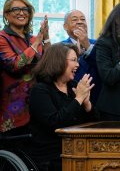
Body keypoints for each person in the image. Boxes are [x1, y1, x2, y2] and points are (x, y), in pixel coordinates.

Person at [28, 43, 97, 171]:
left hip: (78, 149)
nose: (78, 65)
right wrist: (79, 99)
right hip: (51, 156)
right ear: (58, 61)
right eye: (74, 60)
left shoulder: (74, 86)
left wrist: (87, 104)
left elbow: (92, 124)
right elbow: (55, 123)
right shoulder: (40, 90)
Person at [0, 0, 50, 134]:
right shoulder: (2, 38)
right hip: (13, 111)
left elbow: (50, 64)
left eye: (25, 9)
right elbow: (15, 65)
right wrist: (37, 42)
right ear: (6, 15)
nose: (21, 13)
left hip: (38, 106)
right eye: (16, 9)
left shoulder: (34, 39)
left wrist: (45, 37)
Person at [61, 9, 101, 105]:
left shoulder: (99, 44)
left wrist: (87, 45)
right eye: (74, 20)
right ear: (65, 26)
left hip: (97, 96)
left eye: (83, 19)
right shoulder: (60, 47)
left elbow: (102, 66)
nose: (79, 22)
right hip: (71, 97)